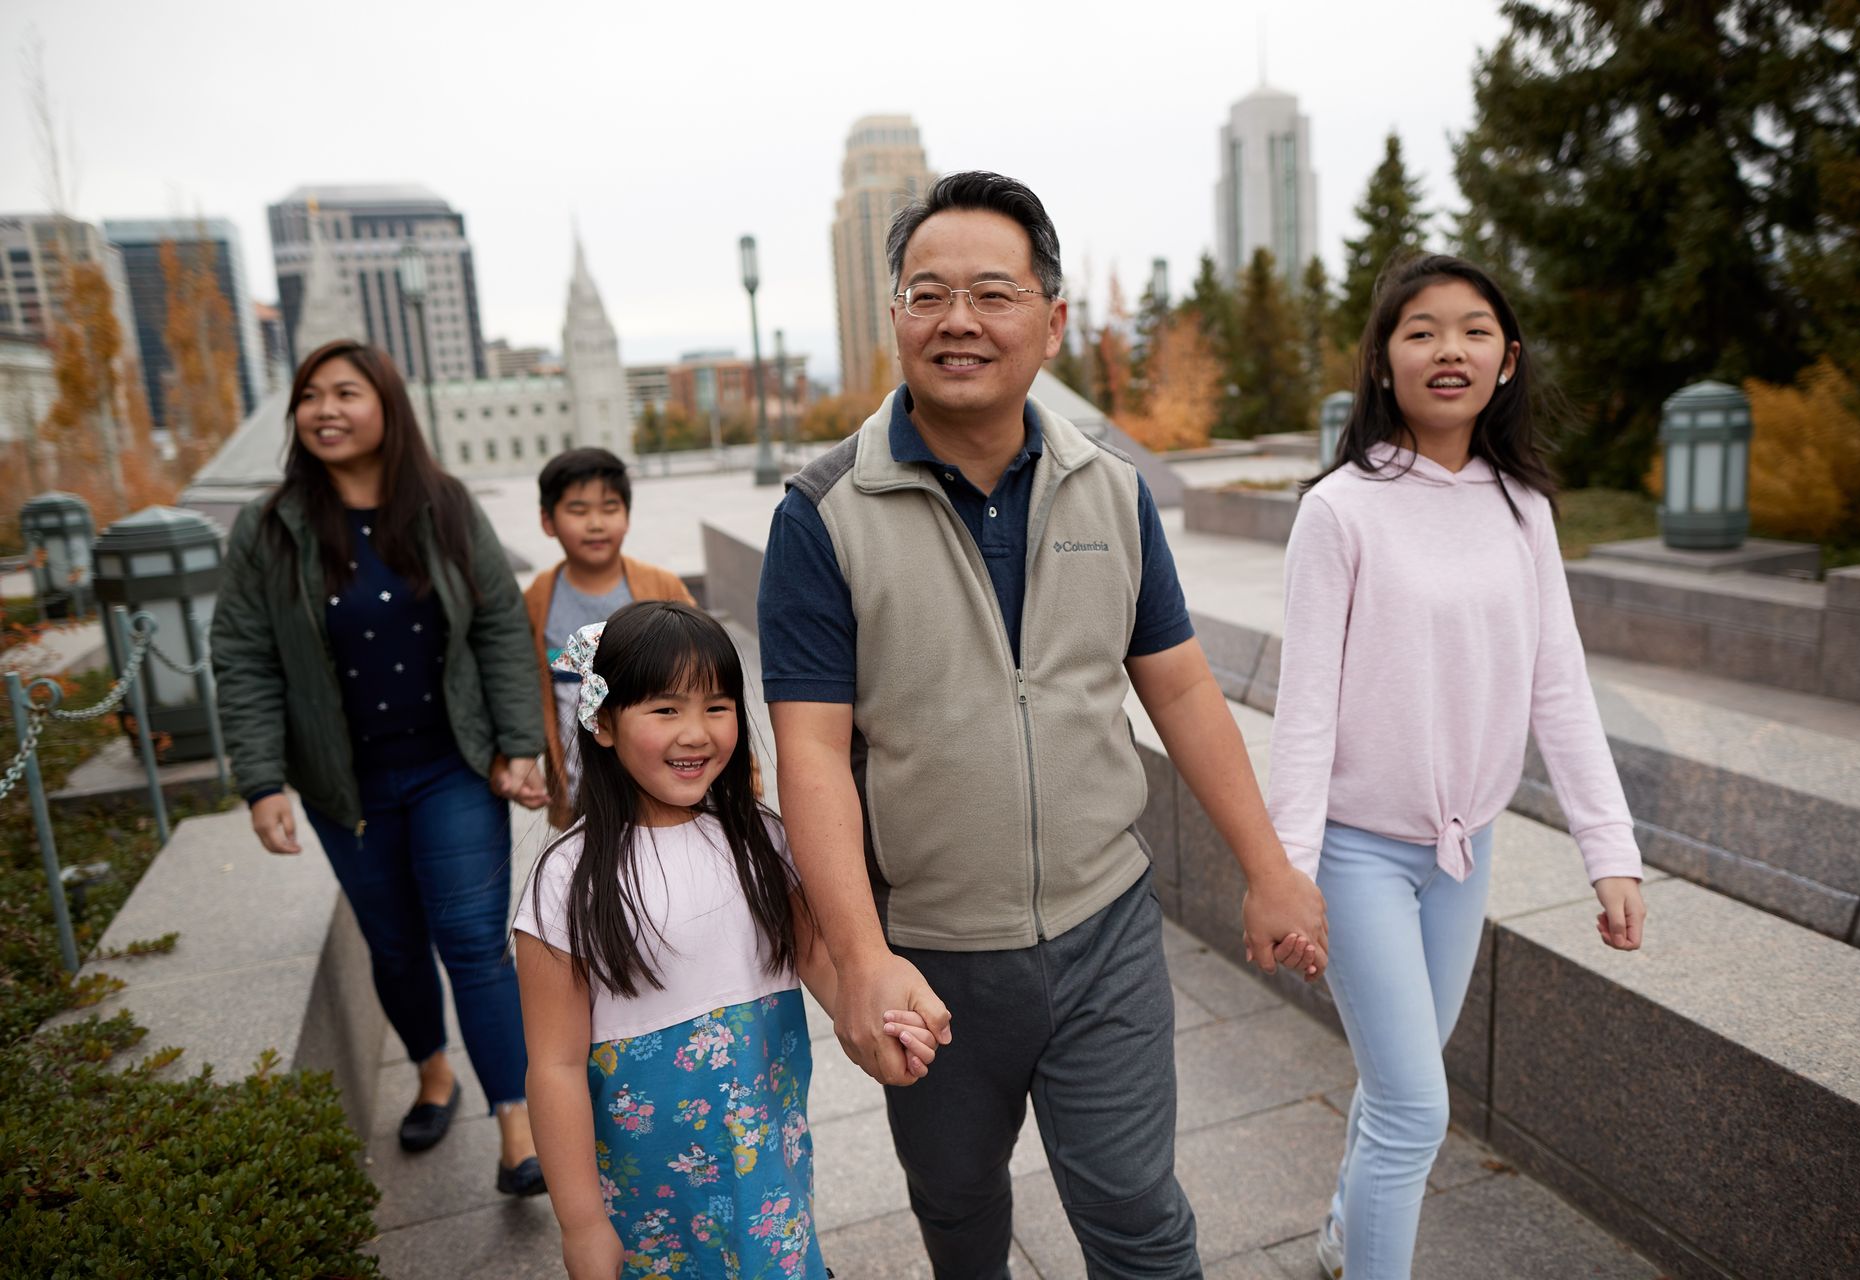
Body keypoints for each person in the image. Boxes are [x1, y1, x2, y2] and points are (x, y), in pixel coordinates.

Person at [757, 170, 1328, 1280]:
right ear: (894, 319)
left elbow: (1182, 688)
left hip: (1105, 928)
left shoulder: (1109, 487)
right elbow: (811, 753)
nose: (958, 320)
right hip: (932, 949)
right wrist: (864, 960)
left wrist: (1269, 866)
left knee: (1138, 1210)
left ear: (1051, 320)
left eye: (992, 292)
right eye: (927, 293)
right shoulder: (822, 514)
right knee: (960, 1210)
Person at [1264, 253, 1649, 1280]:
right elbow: (1303, 707)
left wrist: (1608, 850)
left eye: (1474, 329)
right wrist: (1289, 869)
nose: (1450, 349)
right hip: (1355, 853)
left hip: (1462, 850)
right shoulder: (1340, 510)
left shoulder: (1523, 507)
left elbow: (1557, 685)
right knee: (1413, 1106)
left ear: (1508, 360)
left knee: (1401, 1081)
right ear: (1384, 363)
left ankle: (1348, 1231)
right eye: (1421, 329)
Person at [212, 339, 552, 1195]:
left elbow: (500, 626)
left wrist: (518, 742)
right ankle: (433, 1072)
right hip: (345, 787)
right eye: (309, 396)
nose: (326, 410)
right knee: (395, 948)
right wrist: (260, 783)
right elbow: (244, 656)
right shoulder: (269, 527)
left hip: (450, 768)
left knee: (474, 944)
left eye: (347, 393)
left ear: (386, 406)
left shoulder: (441, 505)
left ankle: (517, 1131)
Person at [514, 601, 939, 1279]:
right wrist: (583, 1224)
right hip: (645, 1209)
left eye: (717, 706)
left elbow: (820, 959)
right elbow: (555, 1068)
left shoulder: (764, 842)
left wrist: (880, 1027)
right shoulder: (565, 882)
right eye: (665, 709)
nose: (696, 732)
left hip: (768, 1175)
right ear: (602, 723)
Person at [523, 446, 696, 829]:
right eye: (579, 511)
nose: (596, 523)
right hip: (580, 797)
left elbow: (708, 675)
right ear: (547, 521)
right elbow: (520, 685)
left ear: (627, 516)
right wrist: (515, 758)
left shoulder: (658, 586)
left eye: (610, 508)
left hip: (661, 791)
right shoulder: (538, 599)